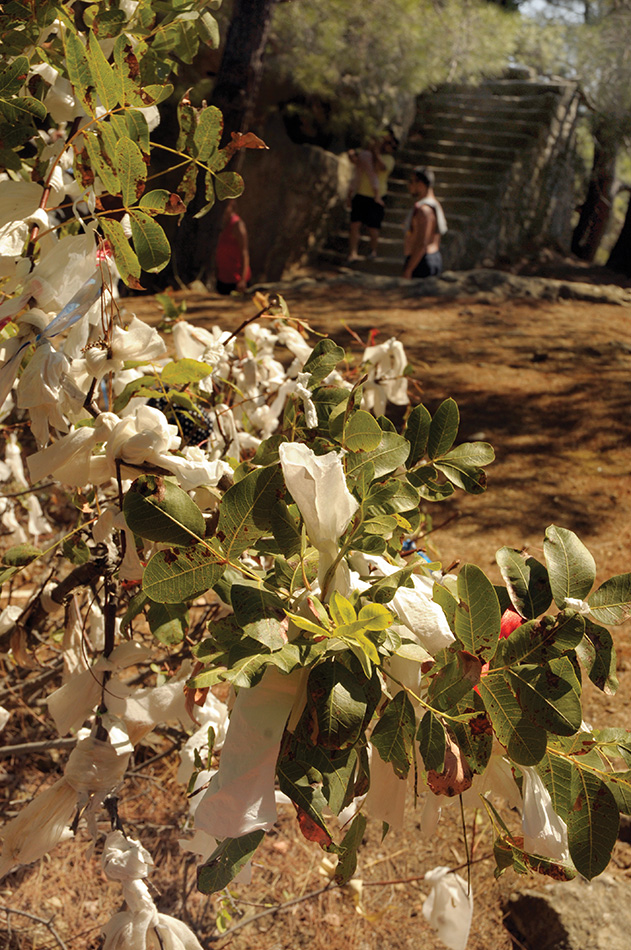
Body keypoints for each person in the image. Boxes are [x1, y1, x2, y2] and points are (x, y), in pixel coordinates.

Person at [347, 129, 399, 261]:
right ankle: (353, 252)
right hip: (361, 193)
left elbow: (379, 168)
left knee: (373, 227)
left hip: (378, 196)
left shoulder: (389, 159)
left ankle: (373, 251)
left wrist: (375, 152)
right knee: (354, 225)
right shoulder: (367, 154)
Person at [403, 167, 448, 279]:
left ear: (421, 184)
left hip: (421, 262)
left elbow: (422, 243)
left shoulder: (424, 210)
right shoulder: (435, 205)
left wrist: (409, 269)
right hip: (427, 259)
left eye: (412, 181)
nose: (409, 186)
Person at [215, 200, 251, 294]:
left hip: (236, 280)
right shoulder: (223, 224)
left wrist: (242, 280)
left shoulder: (237, 225)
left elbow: (244, 252)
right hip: (223, 279)